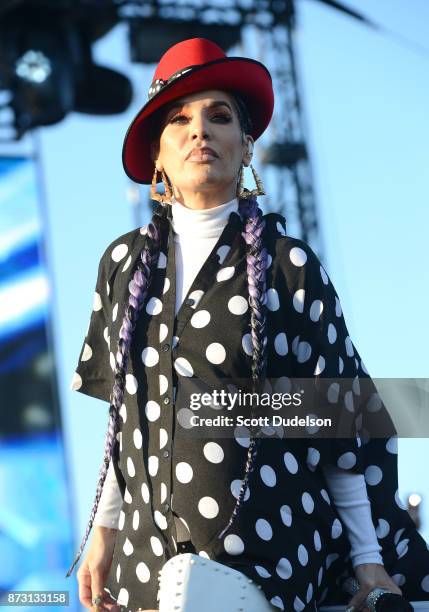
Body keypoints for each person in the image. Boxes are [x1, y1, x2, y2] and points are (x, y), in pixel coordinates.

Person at [66, 37, 429, 611]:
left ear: (246, 145)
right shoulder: (121, 265)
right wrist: (103, 531)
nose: (199, 131)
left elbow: (337, 433)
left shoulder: (291, 267)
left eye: (219, 116)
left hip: (263, 558)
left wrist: (368, 562)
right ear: (158, 155)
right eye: (179, 119)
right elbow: (125, 419)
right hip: (145, 561)